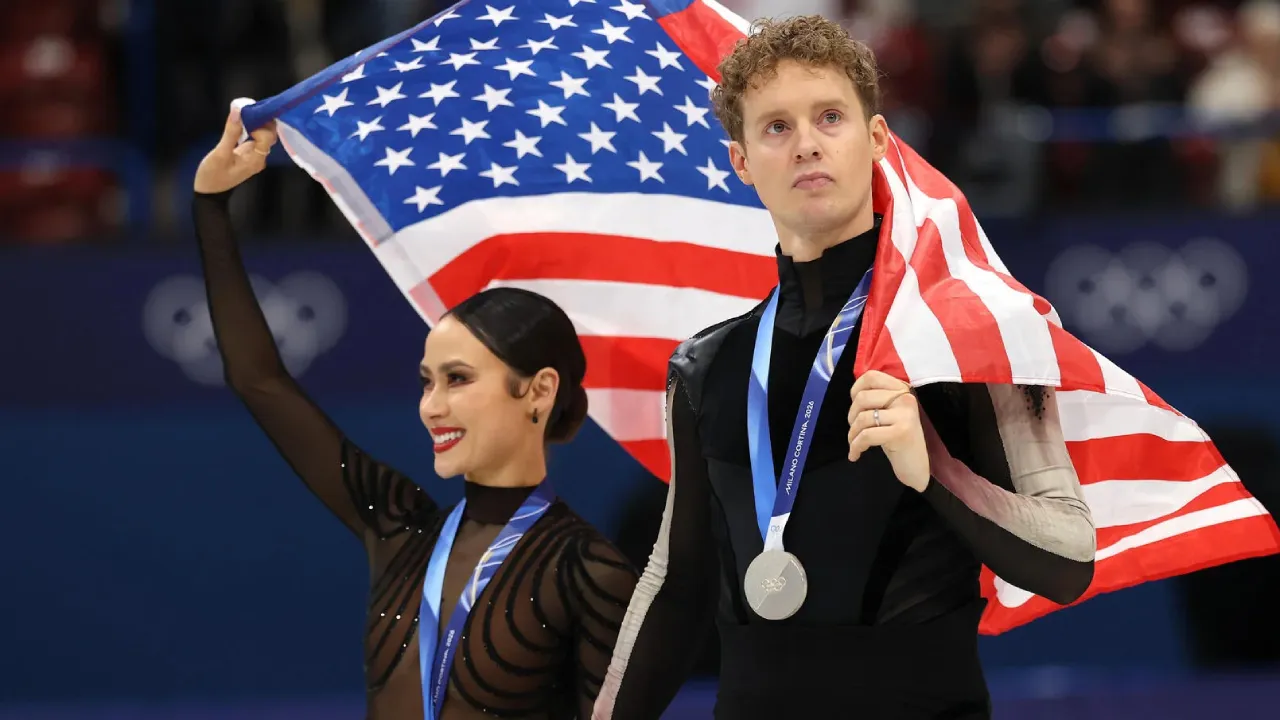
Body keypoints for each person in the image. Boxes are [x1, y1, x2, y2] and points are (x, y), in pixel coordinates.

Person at [593, 16, 1096, 720]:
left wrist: (935, 468)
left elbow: (1070, 559)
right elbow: (675, 586)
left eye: (830, 117)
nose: (807, 144)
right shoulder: (705, 368)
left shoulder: (970, 333)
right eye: (776, 127)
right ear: (741, 162)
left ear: (878, 138)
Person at [192, 106, 639, 720]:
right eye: (427, 383)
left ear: (537, 391)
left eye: (458, 380)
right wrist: (211, 205)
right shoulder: (397, 528)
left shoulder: (590, 571)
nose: (432, 406)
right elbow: (259, 380)